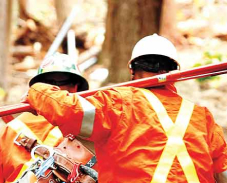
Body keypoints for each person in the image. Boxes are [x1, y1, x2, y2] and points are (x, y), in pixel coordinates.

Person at [26, 34, 227, 182]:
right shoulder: (203, 118)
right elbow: (224, 174)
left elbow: (67, 110)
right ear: (174, 71)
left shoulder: (117, 103)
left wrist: (37, 91)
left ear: (132, 70)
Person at [0, 53, 98, 183]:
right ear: (76, 88)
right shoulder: (89, 129)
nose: (54, 88)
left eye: (58, 83)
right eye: (50, 83)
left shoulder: (12, 128)